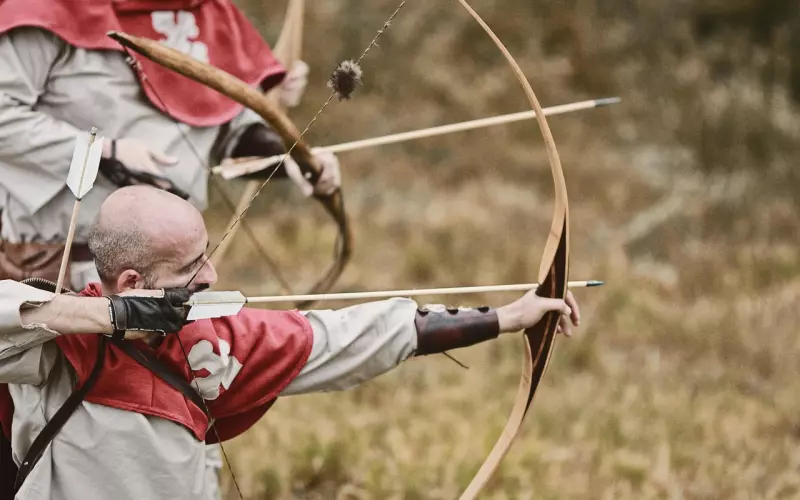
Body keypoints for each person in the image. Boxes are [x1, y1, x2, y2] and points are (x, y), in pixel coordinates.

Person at [0, 186, 581, 499]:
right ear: (131, 284)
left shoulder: (218, 342)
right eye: (189, 266)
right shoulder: (49, 345)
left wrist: (506, 317)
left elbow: (351, 336)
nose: (211, 277)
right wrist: (104, 316)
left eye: (207, 254)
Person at [0, 1, 339, 496]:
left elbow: (219, 123)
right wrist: (104, 152)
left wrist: (285, 152)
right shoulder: (49, 10)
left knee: (180, 425)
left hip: (169, 279)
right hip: (51, 268)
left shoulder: (207, 13)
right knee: (50, 449)